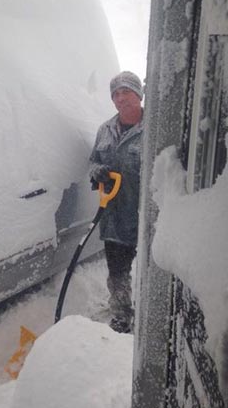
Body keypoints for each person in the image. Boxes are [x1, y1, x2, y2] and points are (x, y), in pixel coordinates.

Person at [89, 71, 143, 333]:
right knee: (118, 274)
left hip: (146, 219)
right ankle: (122, 316)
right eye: (116, 94)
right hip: (114, 218)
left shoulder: (153, 128)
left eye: (126, 92)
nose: (121, 98)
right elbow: (94, 161)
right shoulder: (105, 130)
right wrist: (97, 171)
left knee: (152, 273)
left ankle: (152, 315)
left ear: (139, 95)